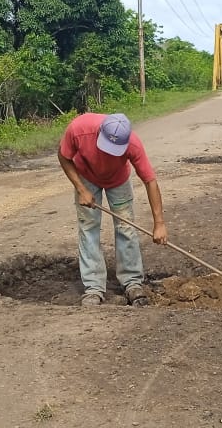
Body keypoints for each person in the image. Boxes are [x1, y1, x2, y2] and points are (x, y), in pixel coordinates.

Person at [58, 113, 168, 307]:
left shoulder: (133, 144)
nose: (110, 153)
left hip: (118, 180)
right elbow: (64, 156)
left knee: (126, 226)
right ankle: (93, 287)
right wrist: (81, 189)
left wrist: (159, 224)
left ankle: (132, 282)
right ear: (99, 132)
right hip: (86, 177)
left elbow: (150, 181)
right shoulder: (79, 129)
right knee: (89, 228)